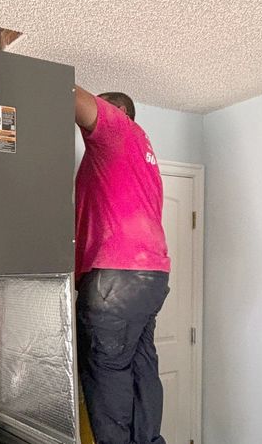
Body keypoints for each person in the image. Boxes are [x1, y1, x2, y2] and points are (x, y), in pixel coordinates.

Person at [74, 86, 171, 444]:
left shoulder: (118, 129)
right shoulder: (142, 155)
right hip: (151, 276)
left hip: (116, 279)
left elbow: (70, 93)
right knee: (141, 364)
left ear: (117, 111)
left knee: (107, 371)